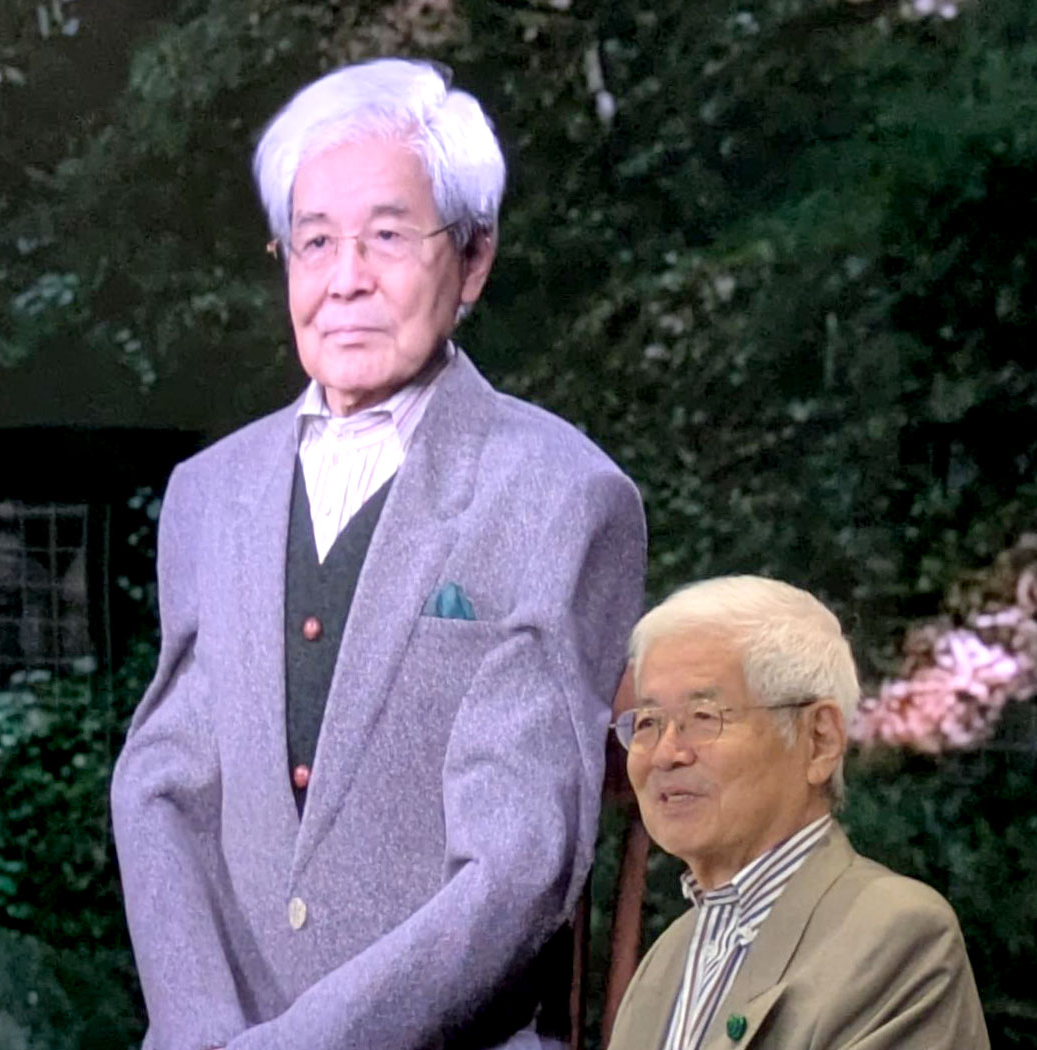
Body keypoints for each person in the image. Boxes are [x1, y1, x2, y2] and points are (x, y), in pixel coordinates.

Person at [110, 57, 647, 1050]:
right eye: (315, 242)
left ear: (472, 260)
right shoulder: (207, 495)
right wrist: (199, 1033)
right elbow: (162, 788)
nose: (344, 279)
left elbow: (518, 864)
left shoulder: (562, 497)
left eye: (388, 237)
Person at [606, 576, 990, 1050]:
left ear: (819, 741)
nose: (666, 753)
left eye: (704, 718)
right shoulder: (665, 962)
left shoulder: (897, 934)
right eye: (647, 722)